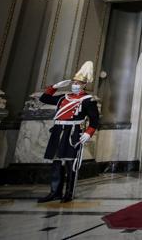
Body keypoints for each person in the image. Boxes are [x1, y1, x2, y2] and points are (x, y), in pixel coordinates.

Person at [37, 61, 99, 203]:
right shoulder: (64, 97)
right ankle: (54, 192)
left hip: (73, 132)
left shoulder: (88, 100)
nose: (75, 85)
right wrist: (54, 87)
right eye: (74, 82)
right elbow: (44, 98)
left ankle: (69, 193)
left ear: (84, 85)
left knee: (71, 163)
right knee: (56, 162)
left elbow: (94, 120)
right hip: (58, 130)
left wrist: (88, 133)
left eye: (78, 83)